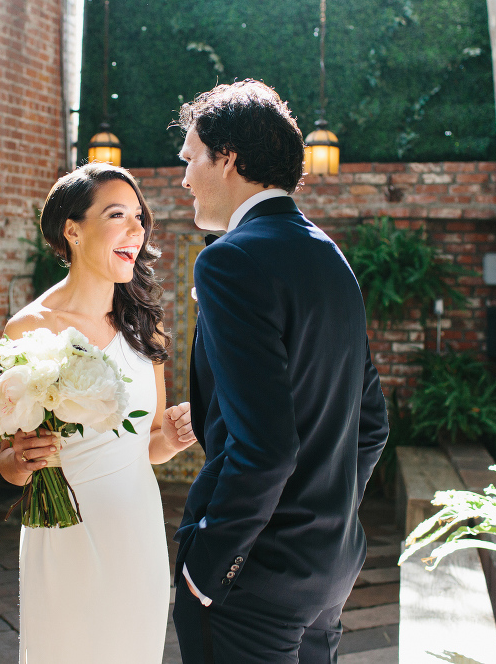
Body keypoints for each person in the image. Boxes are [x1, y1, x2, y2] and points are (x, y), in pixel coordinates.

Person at [171, 80, 389, 664]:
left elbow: (264, 447)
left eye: (191, 158)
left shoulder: (229, 260)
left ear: (229, 160)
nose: (185, 177)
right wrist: (327, 516)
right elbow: (370, 422)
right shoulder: (328, 253)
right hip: (329, 567)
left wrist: (207, 566)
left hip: (254, 578)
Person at [0, 163, 197, 663]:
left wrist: (172, 440)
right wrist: (22, 460)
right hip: (63, 534)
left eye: (139, 216)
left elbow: (147, 445)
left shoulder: (144, 330)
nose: (137, 229)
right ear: (73, 229)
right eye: (117, 214)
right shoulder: (29, 331)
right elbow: (7, 464)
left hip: (137, 531)